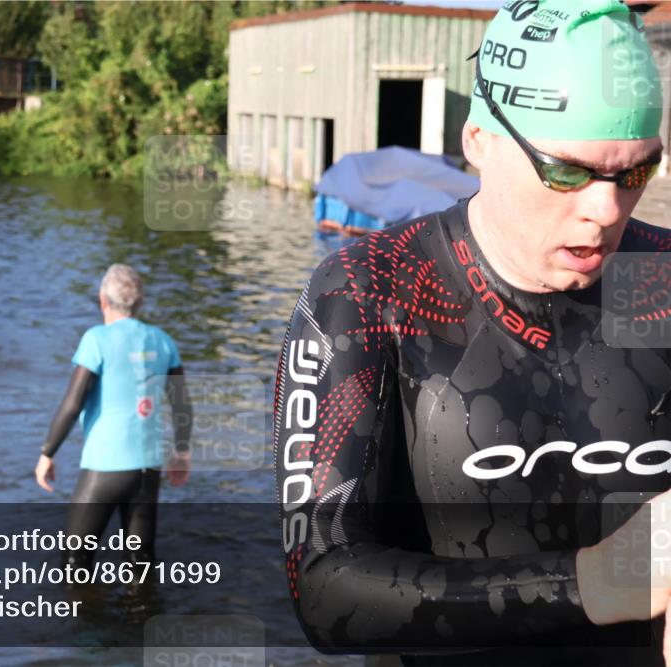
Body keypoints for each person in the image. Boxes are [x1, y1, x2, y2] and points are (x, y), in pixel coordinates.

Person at [274, 2, 671, 666]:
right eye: (567, 170)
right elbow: (323, 586)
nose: (605, 210)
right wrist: (599, 582)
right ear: (479, 141)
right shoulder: (373, 290)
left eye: (634, 172)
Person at [35, 264, 192, 567]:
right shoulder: (163, 340)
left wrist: (48, 452)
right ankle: (142, 613)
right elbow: (182, 403)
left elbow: (73, 402)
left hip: (105, 466)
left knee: (74, 559)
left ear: (102, 300)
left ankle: (82, 613)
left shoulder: (97, 340)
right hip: (148, 467)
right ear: (140, 302)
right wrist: (182, 452)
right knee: (141, 560)